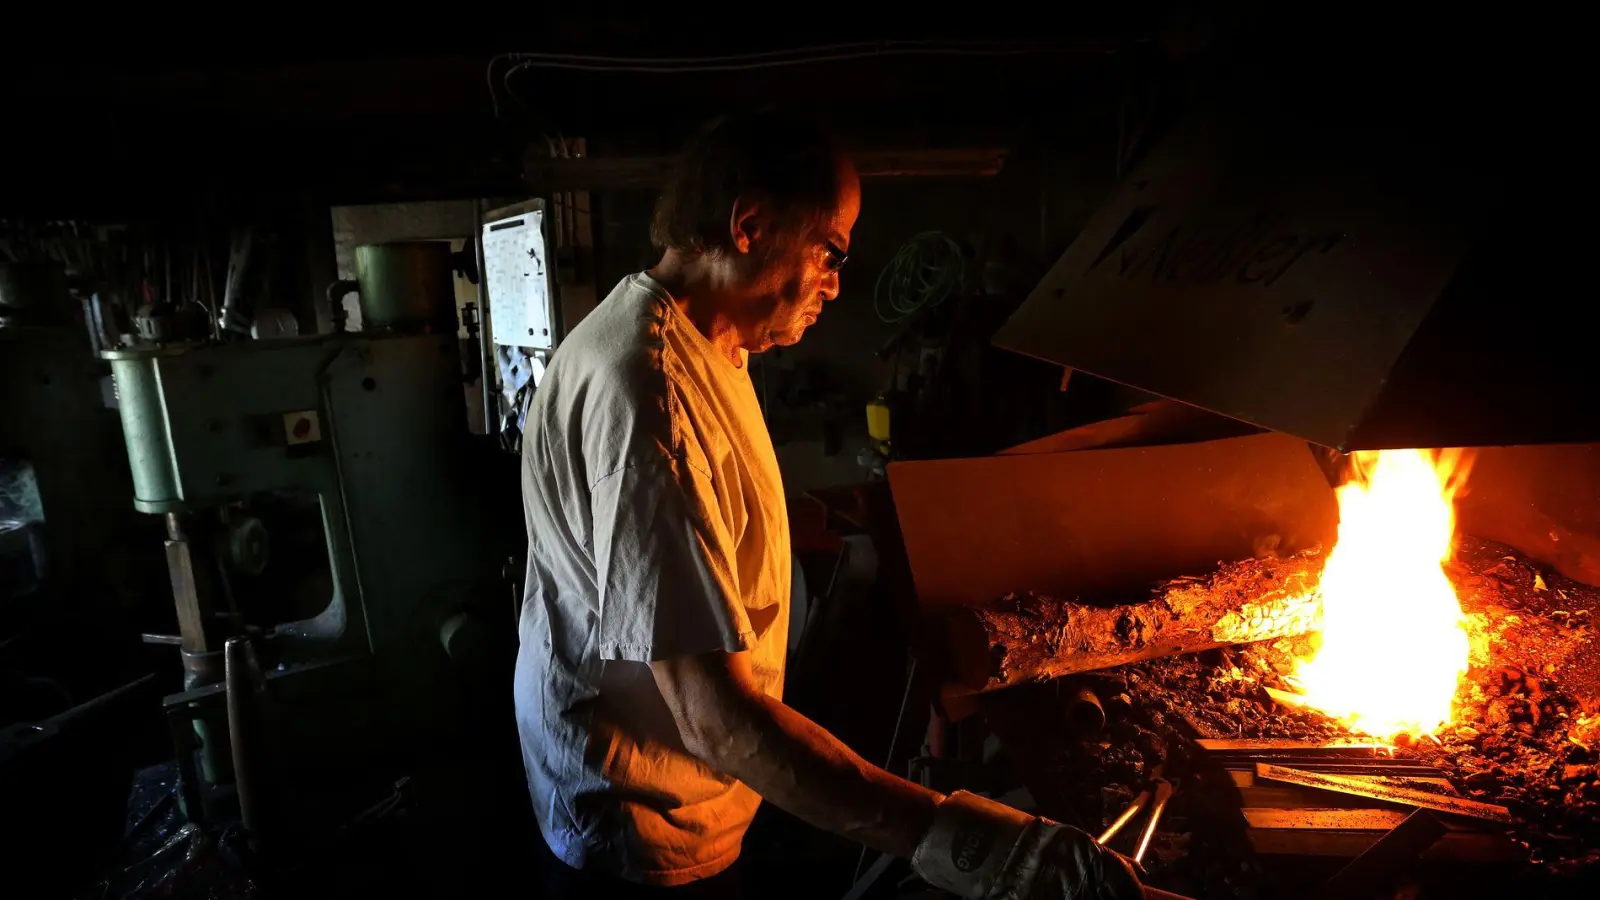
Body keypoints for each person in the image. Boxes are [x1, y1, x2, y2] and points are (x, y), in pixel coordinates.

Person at [514, 110, 1144, 900]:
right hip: (641, 826)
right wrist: (961, 839)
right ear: (750, 225)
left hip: (666, 790)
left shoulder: (702, 341)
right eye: (831, 251)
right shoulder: (650, 395)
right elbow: (717, 720)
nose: (836, 285)